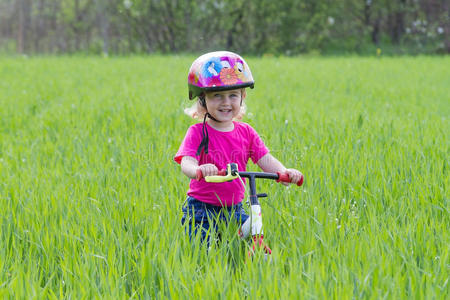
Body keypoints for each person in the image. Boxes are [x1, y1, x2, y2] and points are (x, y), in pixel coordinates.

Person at [174, 51, 303, 245]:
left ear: (242, 97)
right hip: (201, 209)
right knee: (205, 252)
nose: (226, 102)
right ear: (202, 100)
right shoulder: (197, 132)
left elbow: (265, 158)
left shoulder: (246, 132)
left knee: (246, 243)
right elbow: (187, 161)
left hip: (234, 208)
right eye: (217, 95)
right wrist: (198, 170)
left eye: (232, 95)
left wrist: (283, 172)